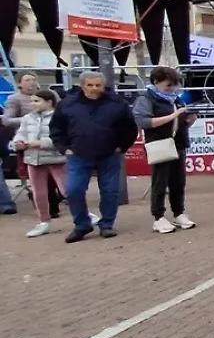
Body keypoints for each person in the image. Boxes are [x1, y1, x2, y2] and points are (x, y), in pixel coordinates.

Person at [49, 71, 137, 242]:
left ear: (103, 86)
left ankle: (107, 225)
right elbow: (56, 128)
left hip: (109, 154)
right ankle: (82, 225)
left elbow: (130, 127)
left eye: (98, 85)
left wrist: (122, 146)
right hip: (78, 154)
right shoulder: (67, 104)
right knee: (73, 190)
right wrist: (64, 148)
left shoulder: (117, 103)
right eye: (90, 85)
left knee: (110, 191)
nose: (94, 89)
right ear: (82, 86)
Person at [133, 66, 197, 234]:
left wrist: (188, 119)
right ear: (156, 82)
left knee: (178, 181)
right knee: (160, 181)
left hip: (178, 144)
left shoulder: (175, 99)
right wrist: (173, 116)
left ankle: (179, 212)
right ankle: (158, 216)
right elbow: (143, 122)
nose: (172, 89)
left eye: (174, 85)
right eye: (168, 85)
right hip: (159, 144)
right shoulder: (146, 99)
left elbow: (180, 122)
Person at [3, 72, 62, 218]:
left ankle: (56, 201)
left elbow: (62, 112)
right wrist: (30, 119)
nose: (31, 82)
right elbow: (7, 120)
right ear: (19, 84)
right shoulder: (14, 99)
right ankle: (47, 211)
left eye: (33, 79)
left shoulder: (50, 94)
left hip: (52, 140)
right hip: (28, 143)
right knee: (40, 179)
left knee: (59, 178)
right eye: (27, 80)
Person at [12, 89, 67, 236]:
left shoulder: (59, 117)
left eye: (37, 101)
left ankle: (84, 214)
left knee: (67, 190)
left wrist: (39, 143)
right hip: (33, 159)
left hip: (56, 158)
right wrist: (17, 143)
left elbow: (61, 138)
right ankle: (43, 222)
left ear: (49, 102)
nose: (33, 104)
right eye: (32, 101)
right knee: (38, 193)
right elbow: (20, 134)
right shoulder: (27, 118)